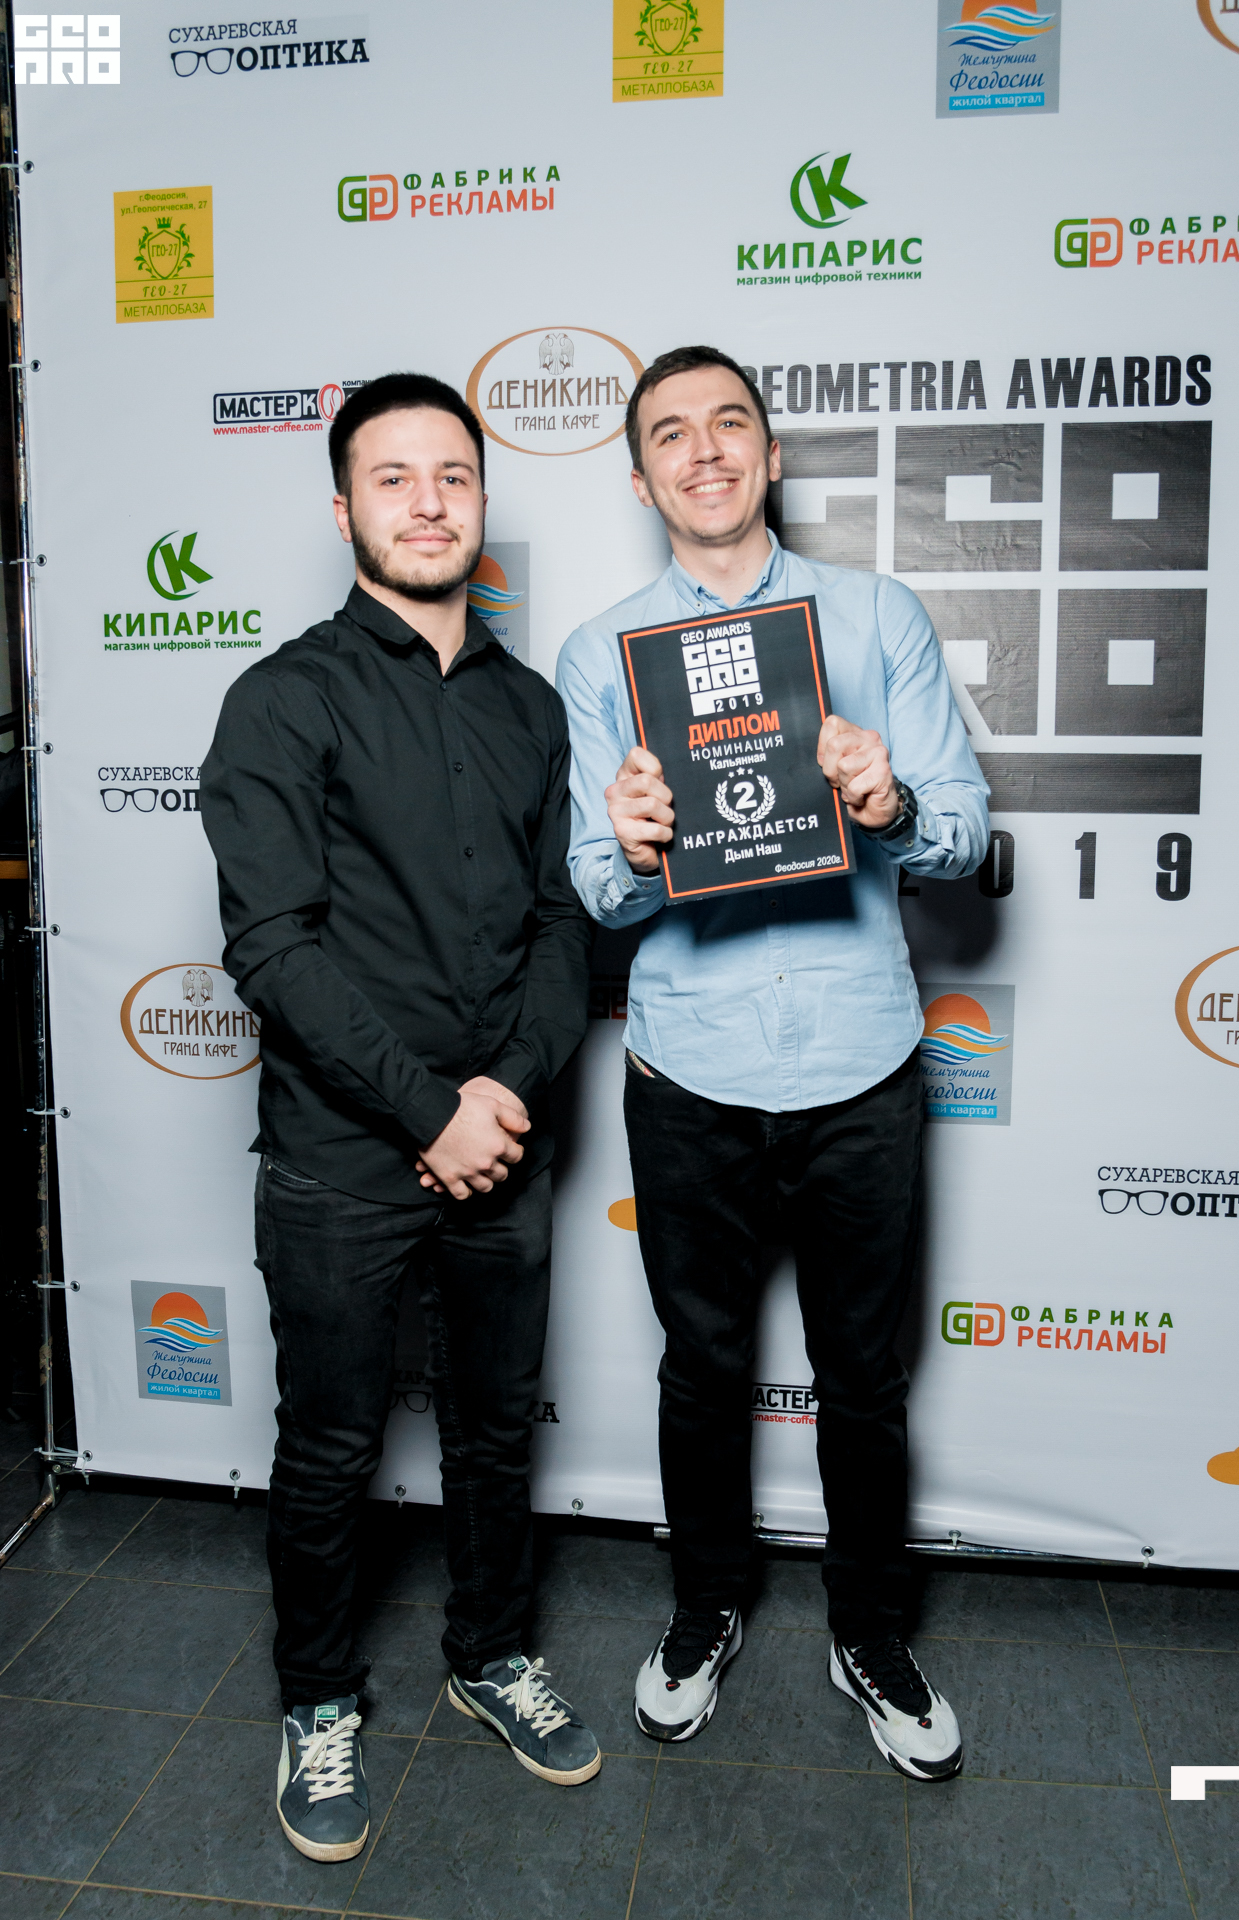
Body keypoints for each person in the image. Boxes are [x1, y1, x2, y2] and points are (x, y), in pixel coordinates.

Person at [555, 345, 989, 1783]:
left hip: (861, 1064)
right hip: (690, 1071)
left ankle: (869, 1631)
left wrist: (892, 800)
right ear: (640, 478)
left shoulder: (874, 617)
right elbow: (594, 890)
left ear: (771, 453)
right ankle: (705, 1611)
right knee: (702, 1369)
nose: (704, 451)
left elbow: (966, 839)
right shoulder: (601, 657)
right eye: (670, 434)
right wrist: (631, 847)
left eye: (728, 424)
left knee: (862, 1377)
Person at [201, 373, 601, 1863]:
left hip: (504, 1142)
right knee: (329, 1447)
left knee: (496, 1434)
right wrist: (429, 1112)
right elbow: (273, 946)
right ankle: (318, 1700)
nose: (428, 503)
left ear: (480, 500)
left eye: (453, 476)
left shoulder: (531, 708)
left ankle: (491, 1654)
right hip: (339, 1161)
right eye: (393, 478)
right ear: (343, 510)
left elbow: (562, 923)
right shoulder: (280, 700)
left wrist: (504, 1092)